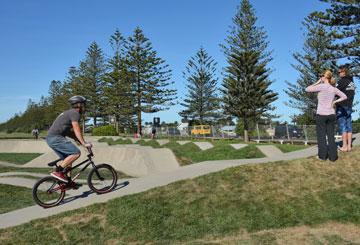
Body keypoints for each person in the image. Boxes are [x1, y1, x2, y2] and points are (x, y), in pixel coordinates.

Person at [46, 95, 92, 183]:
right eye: (83, 104)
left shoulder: (68, 113)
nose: (84, 107)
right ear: (78, 105)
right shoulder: (75, 113)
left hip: (50, 139)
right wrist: (84, 143)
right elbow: (77, 129)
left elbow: (68, 132)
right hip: (56, 138)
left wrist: (78, 140)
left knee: (69, 159)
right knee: (76, 153)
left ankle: (68, 181)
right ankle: (58, 171)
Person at [306, 70, 347, 161]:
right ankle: (333, 157)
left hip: (321, 115)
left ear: (325, 77)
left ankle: (322, 156)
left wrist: (317, 82)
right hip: (331, 115)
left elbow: (307, 89)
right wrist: (335, 101)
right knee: (331, 136)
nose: (320, 76)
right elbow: (344, 96)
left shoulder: (321, 86)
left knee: (321, 136)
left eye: (321, 75)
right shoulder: (333, 89)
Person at [336, 66, 355, 152]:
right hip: (349, 106)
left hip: (342, 107)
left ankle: (344, 146)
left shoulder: (341, 82)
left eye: (339, 72)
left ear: (344, 72)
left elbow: (334, 92)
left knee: (343, 127)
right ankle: (349, 146)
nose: (339, 74)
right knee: (349, 127)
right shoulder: (351, 82)